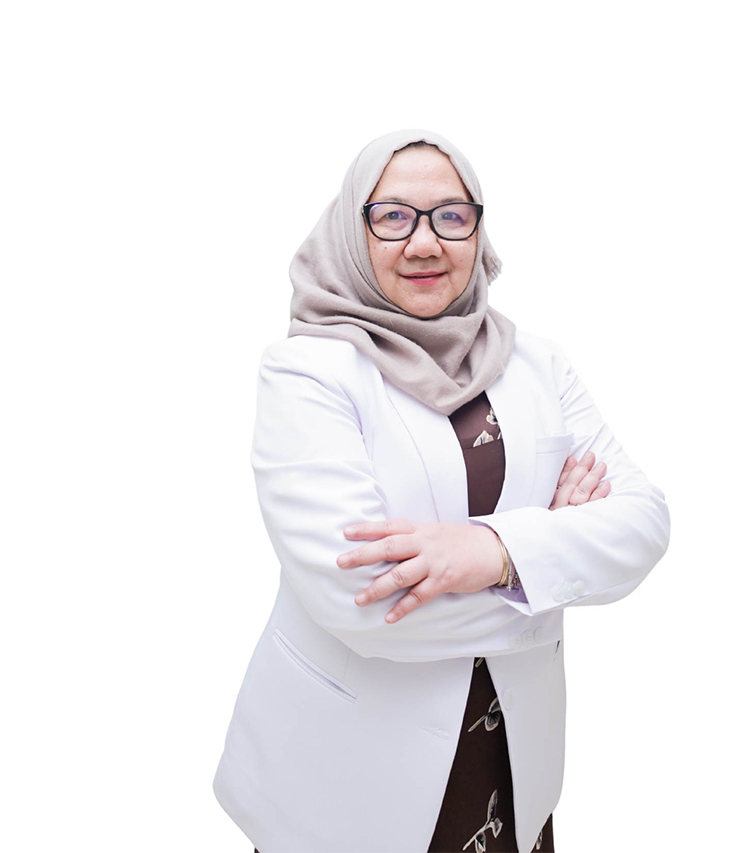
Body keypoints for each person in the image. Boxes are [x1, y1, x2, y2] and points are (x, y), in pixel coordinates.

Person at [213, 129, 670, 853]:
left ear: (478, 231)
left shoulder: (538, 363)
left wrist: (493, 553)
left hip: (512, 764)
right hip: (346, 781)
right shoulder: (307, 372)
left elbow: (643, 521)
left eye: (451, 216)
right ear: (352, 230)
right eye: (393, 217)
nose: (424, 243)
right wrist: (549, 566)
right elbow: (360, 600)